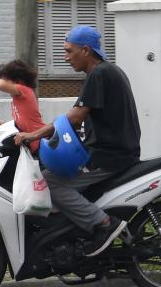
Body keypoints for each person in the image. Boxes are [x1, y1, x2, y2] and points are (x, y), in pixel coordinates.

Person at [14, 25, 141, 257]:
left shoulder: (99, 74)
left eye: (69, 51)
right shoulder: (109, 71)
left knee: (49, 182)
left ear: (85, 50)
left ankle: (104, 224)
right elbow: (78, 121)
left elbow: (74, 118)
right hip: (114, 150)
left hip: (108, 155)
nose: (65, 57)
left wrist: (33, 135)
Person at [0, 60, 45, 153]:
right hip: (29, 144)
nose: (6, 82)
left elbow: (0, 85)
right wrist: (5, 125)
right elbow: (21, 122)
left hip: (38, 143)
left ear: (19, 80)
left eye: (7, 79)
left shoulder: (24, 90)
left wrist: (0, 73)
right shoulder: (16, 100)